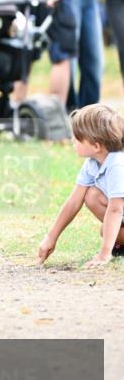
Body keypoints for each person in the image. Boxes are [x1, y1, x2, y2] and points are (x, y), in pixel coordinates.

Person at [37, 104, 124, 268]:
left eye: (77, 138)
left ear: (96, 146)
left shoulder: (117, 165)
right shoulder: (93, 162)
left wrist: (105, 253)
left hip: (119, 213)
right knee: (92, 196)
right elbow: (74, 201)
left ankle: (115, 243)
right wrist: (51, 237)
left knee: (107, 231)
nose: (72, 141)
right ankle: (117, 240)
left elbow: (116, 209)